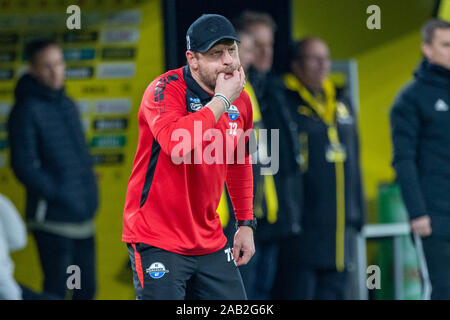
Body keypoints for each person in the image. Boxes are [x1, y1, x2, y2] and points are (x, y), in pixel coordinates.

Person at [122, 14, 255, 300]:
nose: (228, 61)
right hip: (157, 238)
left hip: (209, 238)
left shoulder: (241, 100)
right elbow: (177, 145)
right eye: (216, 54)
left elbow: (240, 161)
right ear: (192, 59)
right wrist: (221, 101)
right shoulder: (163, 90)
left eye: (232, 50)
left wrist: (245, 224)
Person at [8, 40, 98, 300]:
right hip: (53, 221)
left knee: (85, 289)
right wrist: (59, 192)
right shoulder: (25, 110)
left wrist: (86, 191)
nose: (55, 71)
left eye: (58, 63)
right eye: (46, 66)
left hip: (82, 216)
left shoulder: (67, 103)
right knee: (57, 292)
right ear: (33, 70)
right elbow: (23, 166)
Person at [281, 37, 365, 299]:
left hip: (340, 226)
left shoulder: (342, 102)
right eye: (313, 58)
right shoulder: (286, 104)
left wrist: (358, 212)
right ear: (296, 64)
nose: (322, 65)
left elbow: (355, 161)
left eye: (325, 58)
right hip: (303, 228)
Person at [233, 11, 303, 300]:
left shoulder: (275, 88)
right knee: (241, 290)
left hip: (272, 208)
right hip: (240, 212)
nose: (263, 53)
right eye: (254, 46)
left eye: (269, 45)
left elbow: (278, 156)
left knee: (263, 288)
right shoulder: (226, 91)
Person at [390, 18, 450, 300]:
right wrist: (417, 213)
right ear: (427, 49)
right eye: (446, 45)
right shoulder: (411, 99)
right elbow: (403, 160)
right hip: (434, 218)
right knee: (442, 288)